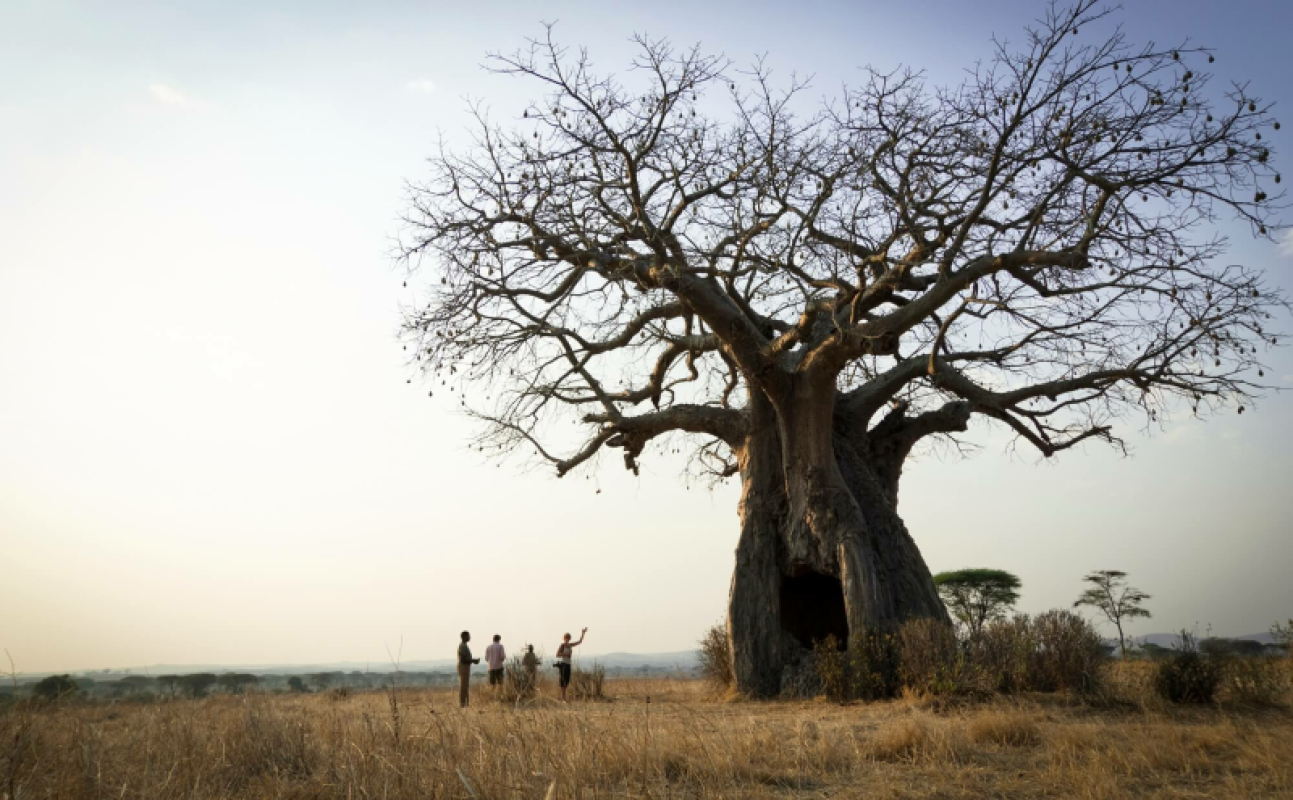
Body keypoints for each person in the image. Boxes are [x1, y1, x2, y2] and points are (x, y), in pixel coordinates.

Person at [555, 627, 587, 702]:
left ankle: (563, 697)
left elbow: (579, 642)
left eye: (568, 638)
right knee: (562, 681)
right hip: (563, 664)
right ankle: (563, 698)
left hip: (568, 664)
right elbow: (557, 654)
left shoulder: (570, 645)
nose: (567, 639)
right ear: (564, 638)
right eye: (566, 638)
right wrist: (565, 654)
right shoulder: (562, 645)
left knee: (567, 681)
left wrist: (583, 633)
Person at [457, 631, 480, 708]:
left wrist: (472, 661)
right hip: (463, 667)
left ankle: (465, 703)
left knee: (465, 685)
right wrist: (473, 660)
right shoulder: (463, 646)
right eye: (468, 636)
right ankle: (462, 703)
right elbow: (463, 659)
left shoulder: (464, 645)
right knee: (463, 686)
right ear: (464, 636)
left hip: (465, 667)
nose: (469, 637)